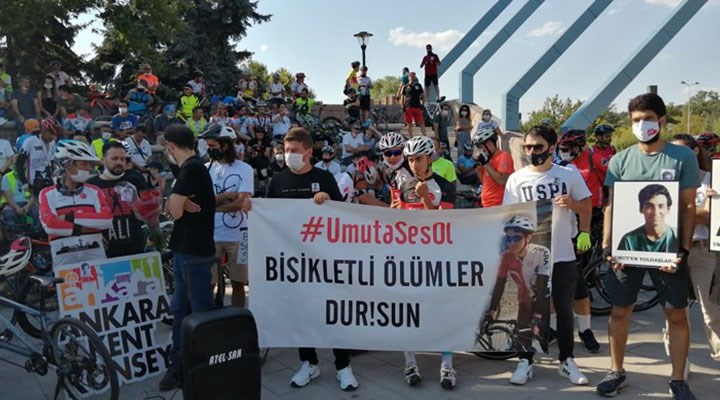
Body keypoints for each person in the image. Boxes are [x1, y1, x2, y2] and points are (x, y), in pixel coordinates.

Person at [598, 93, 700, 399]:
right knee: (619, 311)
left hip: (669, 252)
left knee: (676, 314)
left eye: (648, 119)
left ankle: (678, 380)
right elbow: (611, 206)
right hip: (626, 250)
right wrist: (608, 245)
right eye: (636, 120)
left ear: (662, 120)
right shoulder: (620, 160)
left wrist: (683, 249)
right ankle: (616, 371)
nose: (642, 125)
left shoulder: (682, 157)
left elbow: (688, 207)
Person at [241, 128, 358, 391]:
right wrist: (252, 208)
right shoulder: (278, 180)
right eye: (285, 150)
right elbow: (268, 215)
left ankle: (343, 366)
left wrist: (329, 201)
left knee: (332, 312)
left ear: (308, 151)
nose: (288, 155)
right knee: (301, 313)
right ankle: (309, 362)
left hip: (325, 259)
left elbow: (344, 215)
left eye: (294, 151)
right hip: (293, 263)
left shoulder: (324, 178)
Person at [503, 125, 591, 386]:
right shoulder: (516, 179)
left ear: (551, 147)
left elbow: (586, 205)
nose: (532, 151)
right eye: (528, 147)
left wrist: (582, 227)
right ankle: (525, 360)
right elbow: (508, 215)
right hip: (530, 256)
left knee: (564, 309)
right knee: (526, 308)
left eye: (538, 147)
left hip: (562, 254)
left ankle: (567, 360)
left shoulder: (568, 174)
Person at [391, 136, 456, 389]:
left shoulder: (445, 184)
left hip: (437, 258)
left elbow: (442, 225)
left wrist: (426, 199)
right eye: (410, 160)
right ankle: (410, 362)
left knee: (443, 312)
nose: (414, 164)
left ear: (430, 158)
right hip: (408, 257)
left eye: (418, 159)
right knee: (407, 312)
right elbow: (398, 218)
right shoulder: (403, 184)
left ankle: (447, 365)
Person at [158, 124, 216, 391]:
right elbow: (176, 208)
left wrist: (172, 201)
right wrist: (176, 202)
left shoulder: (192, 168)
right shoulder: (190, 168)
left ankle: (200, 368)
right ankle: (180, 365)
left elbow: (175, 212)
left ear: (170, 145)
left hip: (194, 253)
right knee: (182, 310)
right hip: (188, 251)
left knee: (197, 313)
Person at [670, 133, 720, 365]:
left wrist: (676, 209)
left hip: (702, 250)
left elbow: (711, 217)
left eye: (680, 151)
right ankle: (680, 362)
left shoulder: (711, 179)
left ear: (695, 151)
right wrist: (695, 210)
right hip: (671, 249)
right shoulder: (668, 180)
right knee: (675, 310)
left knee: (711, 310)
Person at [555, 129, 603, 353]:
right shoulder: (558, 166)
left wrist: (584, 231)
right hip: (555, 233)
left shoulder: (590, 161)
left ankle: (585, 329)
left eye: (567, 149)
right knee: (552, 285)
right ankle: (553, 328)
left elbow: (587, 202)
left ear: (578, 148)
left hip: (584, 220)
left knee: (578, 286)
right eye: (561, 148)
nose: (563, 152)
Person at [200, 125, 253, 308]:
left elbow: (241, 202)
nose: (209, 150)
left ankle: (238, 317)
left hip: (239, 235)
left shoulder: (244, 169)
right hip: (210, 235)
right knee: (209, 283)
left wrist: (212, 206)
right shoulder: (205, 169)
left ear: (225, 146)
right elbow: (202, 202)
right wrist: (227, 196)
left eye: (212, 146)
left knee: (238, 283)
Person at [38, 140, 112, 267]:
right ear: (67, 165)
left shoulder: (95, 191)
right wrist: (85, 227)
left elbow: (107, 220)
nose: (89, 168)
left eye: (89, 164)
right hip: (64, 265)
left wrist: (69, 217)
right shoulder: (46, 194)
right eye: (84, 164)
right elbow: (50, 226)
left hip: (97, 263)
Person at [486, 215, 551, 355]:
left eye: (516, 238)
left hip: (542, 297)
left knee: (540, 336)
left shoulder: (541, 252)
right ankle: (524, 356)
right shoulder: (506, 256)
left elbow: (543, 285)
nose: (512, 243)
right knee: (522, 336)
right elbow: (500, 284)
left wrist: (538, 315)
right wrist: (492, 310)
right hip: (524, 298)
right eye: (508, 239)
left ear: (528, 238)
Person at [86, 141, 147, 258]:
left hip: (135, 246)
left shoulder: (135, 179)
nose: (119, 162)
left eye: (122, 159)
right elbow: (85, 215)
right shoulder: (91, 185)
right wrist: (92, 234)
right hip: (105, 250)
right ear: (103, 159)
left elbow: (147, 212)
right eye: (114, 158)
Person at [617, 184, 678, 252]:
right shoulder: (628, 241)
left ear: (668, 209)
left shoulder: (677, 237)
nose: (655, 212)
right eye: (649, 207)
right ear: (641, 209)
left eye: (660, 206)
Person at [473, 127, 514, 208]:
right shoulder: (489, 159)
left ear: (489, 144)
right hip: (487, 205)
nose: (481, 150)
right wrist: (479, 169)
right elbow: (485, 182)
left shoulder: (503, 156)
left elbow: (502, 181)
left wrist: (486, 164)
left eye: (481, 147)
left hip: (498, 205)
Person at [21, 118, 58, 186]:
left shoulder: (53, 143)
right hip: (34, 182)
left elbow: (53, 162)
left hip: (49, 180)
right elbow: (19, 163)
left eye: (55, 135)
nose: (53, 137)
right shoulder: (30, 141)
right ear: (44, 131)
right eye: (51, 134)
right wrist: (24, 182)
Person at [402, 72, 427, 137]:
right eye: (411, 76)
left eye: (414, 76)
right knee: (409, 123)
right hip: (408, 107)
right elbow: (403, 97)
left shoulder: (418, 85)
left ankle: (425, 136)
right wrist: (402, 106)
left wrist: (423, 104)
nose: (413, 77)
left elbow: (423, 95)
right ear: (409, 78)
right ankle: (411, 137)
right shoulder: (405, 86)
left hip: (417, 106)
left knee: (421, 122)